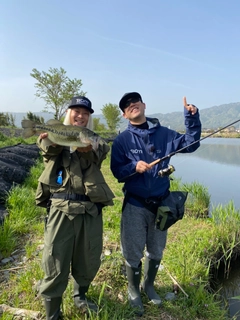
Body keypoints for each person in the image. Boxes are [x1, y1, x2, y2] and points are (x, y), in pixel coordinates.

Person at [110, 92, 201, 316]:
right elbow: (116, 172)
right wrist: (134, 168)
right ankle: (133, 290)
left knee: (157, 249)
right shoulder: (122, 141)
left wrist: (192, 118)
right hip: (135, 204)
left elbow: (191, 144)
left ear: (143, 105)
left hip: (162, 204)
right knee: (132, 250)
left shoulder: (165, 134)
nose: (132, 106)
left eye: (135, 102)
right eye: (127, 106)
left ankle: (148, 286)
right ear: (124, 114)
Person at [35, 96, 115, 320]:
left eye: (85, 113)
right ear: (69, 113)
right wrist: (49, 139)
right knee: (55, 260)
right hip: (61, 207)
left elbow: (101, 152)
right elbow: (47, 149)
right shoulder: (55, 134)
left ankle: (81, 297)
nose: (81, 116)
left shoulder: (94, 139)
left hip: (90, 209)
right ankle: (53, 313)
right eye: (76, 111)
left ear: (89, 117)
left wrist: (86, 147)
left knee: (88, 257)